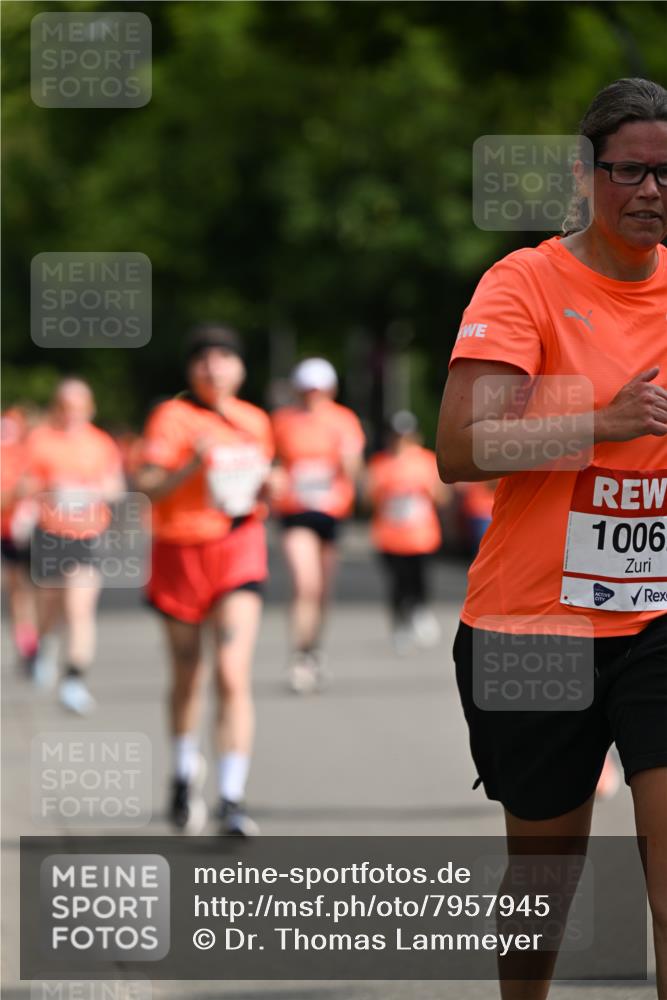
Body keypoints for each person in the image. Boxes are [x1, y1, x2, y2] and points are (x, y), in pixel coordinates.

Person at [437, 78, 667, 999]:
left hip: (656, 621)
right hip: (535, 627)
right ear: (584, 176)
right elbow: (461, 447)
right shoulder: (524, 282)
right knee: (546, 883)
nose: (650, 190)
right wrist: (602, 423)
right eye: (628, 171)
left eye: (666, 173)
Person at [135, 324, 273, 836]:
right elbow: (146, 486)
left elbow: (262, 491)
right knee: (188, 674)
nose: (213, 366)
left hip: (237, 552)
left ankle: (232, 797)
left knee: (233, 674)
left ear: (240, 368)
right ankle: (181, 770)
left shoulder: (256, 421)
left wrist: (272, 486)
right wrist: (191, 463)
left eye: (224, 357)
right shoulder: (172, 418)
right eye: (203, 358)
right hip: (179, 554)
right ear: (191, 369)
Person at [22, 379, 125, 714]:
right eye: (65, 406)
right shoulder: (40, 441)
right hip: (49, 533)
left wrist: (96, 490)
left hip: (88, 534)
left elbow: (117, 486)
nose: (72, 413)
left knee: (79, 607)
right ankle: (46, 644)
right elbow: (21, 484)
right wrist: (49, 486)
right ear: (56, 407)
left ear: (89, 408)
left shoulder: (101, 443)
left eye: (79, 406)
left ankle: (73, 680)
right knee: (49, 608)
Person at [271, 358, 365, 693]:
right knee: (304, 583)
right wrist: (276, 476)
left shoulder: (344, 421)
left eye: (320, 390)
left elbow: (355, 469)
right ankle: (298, 655)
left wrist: (347, 461)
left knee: (323, 591)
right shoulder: (283, 422)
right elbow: (274, 462)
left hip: (331, 512)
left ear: (331, 390)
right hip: (296, 511)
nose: (314, 396)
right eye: (308, 390)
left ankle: (313, 649)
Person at [365, 410, 449, 653]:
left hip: (422, 535)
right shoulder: (380, 463)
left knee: (419, 580)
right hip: (390, 536)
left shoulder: (426, 461)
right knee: (397, 583)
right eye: (396, 436)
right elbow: (369, 500)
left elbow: (442, 497)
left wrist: (423, 490)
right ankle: (400, 624)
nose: (401, 441)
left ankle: (420, 611)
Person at [1, 406, 40, 672]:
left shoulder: (30, 453)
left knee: (36, 588)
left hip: (34, 528)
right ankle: (25, 639)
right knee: (17, 588)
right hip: (7, 531)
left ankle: (38, 637)